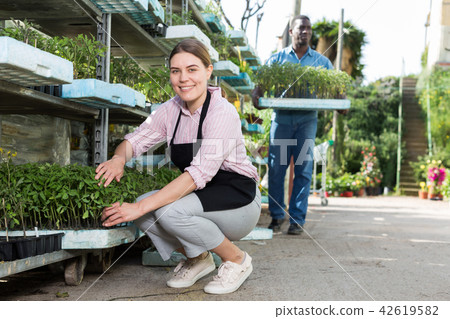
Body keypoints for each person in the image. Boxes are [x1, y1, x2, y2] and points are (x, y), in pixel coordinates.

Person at [95, 39, 261, 295]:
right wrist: (119, 159)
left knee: (166, 210)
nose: (183, 78)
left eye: (192, 69)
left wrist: (139, 206)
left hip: (239, 199)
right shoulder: (169, 110)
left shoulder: (223, 112)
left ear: (208, 71)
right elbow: (134, 140)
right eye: (176, 71)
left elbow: (198, 174)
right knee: (145, 210)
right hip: (202, 194)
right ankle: (198, 258)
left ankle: (237, 260)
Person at [252, 15, 333, 235]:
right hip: (282, 119)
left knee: (303, 170)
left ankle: (297, 219)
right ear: (291, 32)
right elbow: (260, 84)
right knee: (277, 169)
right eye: (301, 28)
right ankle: (277, 217)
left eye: (308, 28)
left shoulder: (321, 61)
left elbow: (336, 86)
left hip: (307, 120)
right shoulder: (277, 59)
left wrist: (341, 100)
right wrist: (257, 95)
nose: (305, 31)